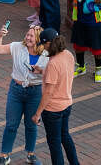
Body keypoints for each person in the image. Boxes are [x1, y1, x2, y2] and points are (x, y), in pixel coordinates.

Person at [0, 23, 45, 165]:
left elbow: (54, 73)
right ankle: (5, 155)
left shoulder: (46, 54)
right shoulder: (17, 46)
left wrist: (41, 71)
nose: (27, 38)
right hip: (16, 90)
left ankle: (31, 154)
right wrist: (0, 36)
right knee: (11, 124)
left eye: (31, 36)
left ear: (39, 39)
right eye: (27, 35)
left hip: (35, 92)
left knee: (31, 124)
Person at [31, 28, 79, 165]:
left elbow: (48, 93)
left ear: (49, 44)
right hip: (67, 105)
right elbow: (62, 74)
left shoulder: (52, 63)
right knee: (65, 136)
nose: (43, 48)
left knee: (54, 143)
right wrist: (42, 71)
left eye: (43, 45)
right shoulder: (68, 54)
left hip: (53, 110)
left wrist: (37, 114)